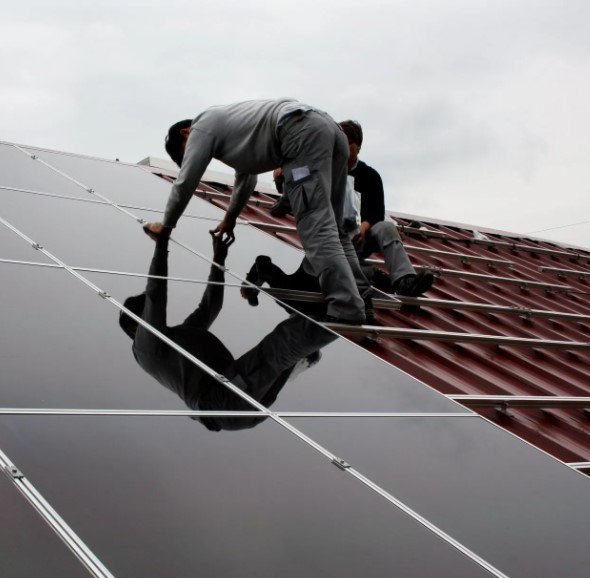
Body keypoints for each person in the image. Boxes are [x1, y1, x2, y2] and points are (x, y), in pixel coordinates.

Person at [143, 98, 372, 324]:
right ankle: (361, 295)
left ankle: (346, 307)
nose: (198, 156)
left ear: (185, 133)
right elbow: (247, 178)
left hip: (301, 131)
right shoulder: (234, 130)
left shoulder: (202, 126)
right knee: (335, 229)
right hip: (330, 131)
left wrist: (166, 226)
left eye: (187, 152)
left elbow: (186, 181)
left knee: (316, 226)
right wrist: (230, 218)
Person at [120, 230, 337, 431]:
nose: (151, 312)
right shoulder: (143, 347)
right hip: (221, 398)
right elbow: (155, 295)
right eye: (144, 311)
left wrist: (219, 259)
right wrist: (161, 245)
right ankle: (341, 316)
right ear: (133, 327)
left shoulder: (181, 336)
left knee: (290, 346)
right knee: (280, 345)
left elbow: (210, 304)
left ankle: (319, 336)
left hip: (235, 398)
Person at [339, 120, 434, 297]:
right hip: (335, 241)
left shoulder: (370, 176)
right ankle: (375, 275)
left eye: (348, 143)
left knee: (387, 228)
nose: (343, 148)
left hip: (362, 237)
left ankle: (405, 280)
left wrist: (364, 227)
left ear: (358, 146)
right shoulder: (329, 171)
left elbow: (377, 212)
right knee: (339, 267)